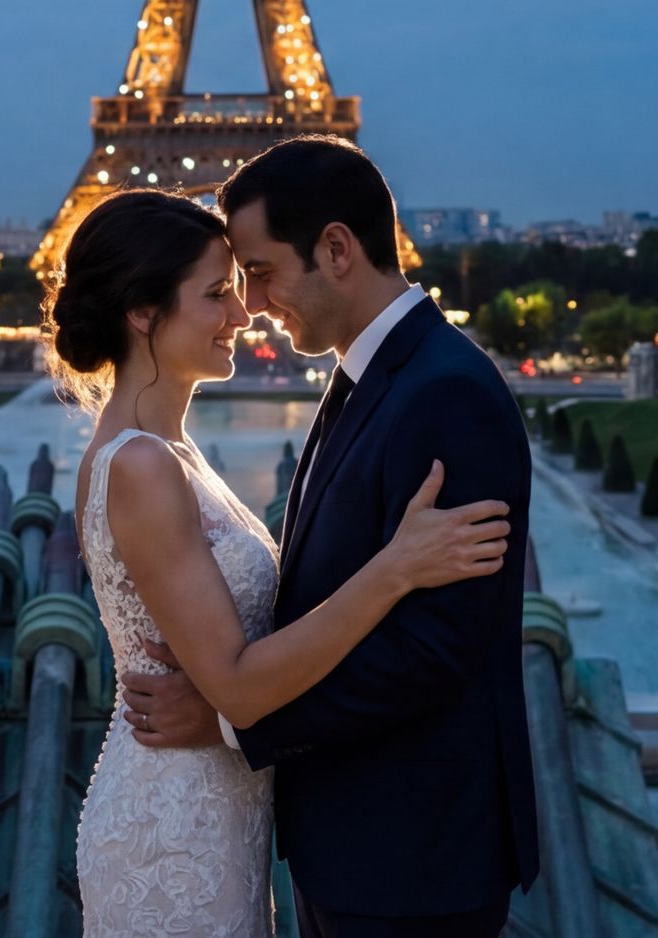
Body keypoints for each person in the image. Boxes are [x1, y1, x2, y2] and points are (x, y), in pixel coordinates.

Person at [54, 186, 511, 937]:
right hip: (174, 830)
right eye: (216, 294)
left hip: (212, 811)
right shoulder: (142, 465)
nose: (243, 313)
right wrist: (395, 568)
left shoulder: (166, 450)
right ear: (142, 311)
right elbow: (233, 682)